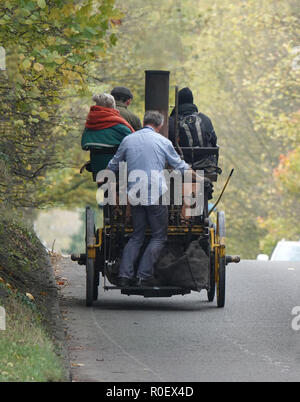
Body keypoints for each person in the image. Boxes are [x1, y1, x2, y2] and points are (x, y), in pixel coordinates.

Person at [102, 110, 199, 287]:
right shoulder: (163, 141)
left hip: (135, 193)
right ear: (160, 126)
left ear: (144, 122)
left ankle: (124, 276)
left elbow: (113, 165)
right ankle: (143, 276)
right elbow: (180, 166)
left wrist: (104, 178)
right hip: (155, 193)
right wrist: (199, 179)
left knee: (136, 236)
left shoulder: (128, 140)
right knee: (158, 237)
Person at [81, 93, 134, 180]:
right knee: (120, 192)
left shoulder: (90, 124)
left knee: (106, 192)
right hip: (117, 169)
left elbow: (84, 145)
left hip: (97, 166)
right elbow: (133, 141)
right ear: (113, 106)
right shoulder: (118, 124)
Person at [168, 87, 217, 167]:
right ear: (192, 101)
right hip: (205, 165)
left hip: (179, 166)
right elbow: (214, 141)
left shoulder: (170, 122)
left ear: (177, 102)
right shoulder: (205, 119)